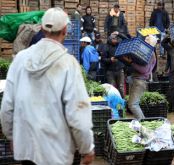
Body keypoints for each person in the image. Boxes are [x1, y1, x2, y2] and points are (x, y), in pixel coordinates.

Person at [0, 7, 95, 165]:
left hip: (27, 147)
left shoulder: (20, 59)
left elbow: (8, 104)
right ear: (65, 30)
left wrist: (11, 136)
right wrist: (86, 147)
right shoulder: (68, 63)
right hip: (56, 151)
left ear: (42, 28)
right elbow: (77, 111)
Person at [122, 35, 157, 119]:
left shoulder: (151, 54)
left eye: (147, 40)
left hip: (140, 81)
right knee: (133, 104)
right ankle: (142, 122)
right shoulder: (147, 52)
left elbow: (144, 70)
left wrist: (131, 63)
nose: (144, 41)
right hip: (137, 80)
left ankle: (142, 123)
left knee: (133, 105)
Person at [103, 32, 125, 97]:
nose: (115, 40)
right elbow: (103, 59)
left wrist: (119, 33)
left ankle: (122, 102)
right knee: (111, 88)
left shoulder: (120, 45)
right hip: (110, 71)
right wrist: (110, 60)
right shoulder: (106, 47)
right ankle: (113, 102)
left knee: (121, 87)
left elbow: (127, 39)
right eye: (113, 39)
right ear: (110, 39)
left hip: (120, 69)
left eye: (116, 39)